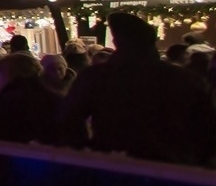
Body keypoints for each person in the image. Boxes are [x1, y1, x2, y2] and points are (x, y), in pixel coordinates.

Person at [60, 11, 216, 165]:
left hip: (114, 164)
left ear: (117, 42)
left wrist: (90, 152)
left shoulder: (97, 77)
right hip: (173, 167)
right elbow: (206, 129)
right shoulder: (185, 79)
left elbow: (69, 119)